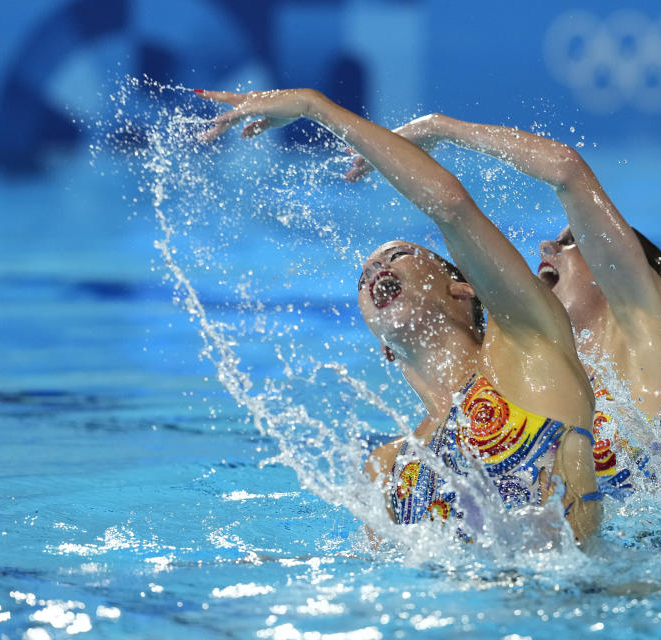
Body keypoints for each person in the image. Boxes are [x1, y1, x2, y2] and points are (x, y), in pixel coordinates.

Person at [194, 88, 602, 540]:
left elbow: (450, 208)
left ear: (464, 289)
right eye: (363, 276)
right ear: (384, 349)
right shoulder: (387, 468)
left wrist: (317, 107)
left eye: (398, 254)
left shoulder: (529, 347)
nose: (375, 271)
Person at [347, 114, 661, 497]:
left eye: (572, 240)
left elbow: (567, 172)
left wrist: (440, 129)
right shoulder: (533, 382)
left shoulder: (653, 343)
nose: (546, 248)